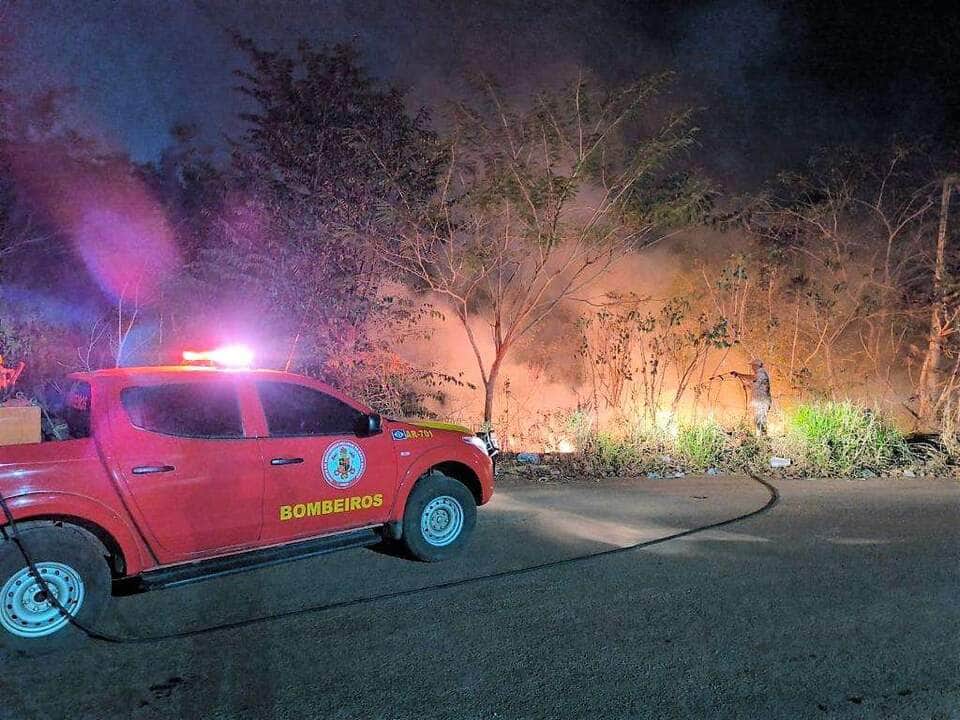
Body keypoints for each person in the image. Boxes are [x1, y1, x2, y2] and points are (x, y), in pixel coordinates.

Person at [729, 359, 772, 435]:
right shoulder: (760, 376)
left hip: (762, 401)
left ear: (756, 366)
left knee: (760, 420)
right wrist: (746, 384)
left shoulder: (761, 373)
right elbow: (754, 385)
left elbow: (752, 377)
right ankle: (761, 437)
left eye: (753, 366)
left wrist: (739, 374)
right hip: (759, 401)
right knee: (758, 420)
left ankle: (762, 438)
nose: (752, 368)